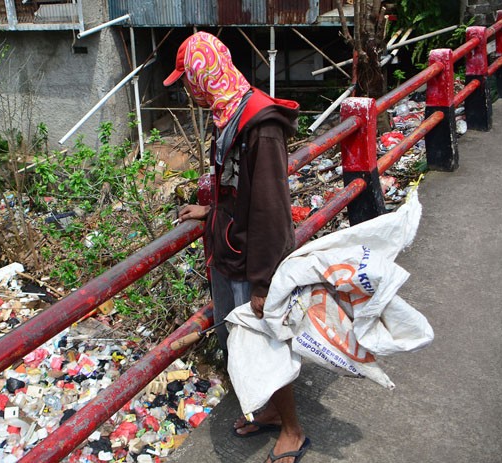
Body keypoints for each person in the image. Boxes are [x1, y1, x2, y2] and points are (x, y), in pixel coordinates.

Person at [165, 32, 310, 463]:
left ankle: (293, 430)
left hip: (252, 261)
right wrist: (208, 211)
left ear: (202, 75)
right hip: (230, 249)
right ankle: (266, 411)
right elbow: (234, 189)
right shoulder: (227, 112)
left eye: (189, 80)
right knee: (240, 339)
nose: (189, 92)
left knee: (264, 342)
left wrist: (263, 283)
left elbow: (269, 210)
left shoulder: (258, 126)